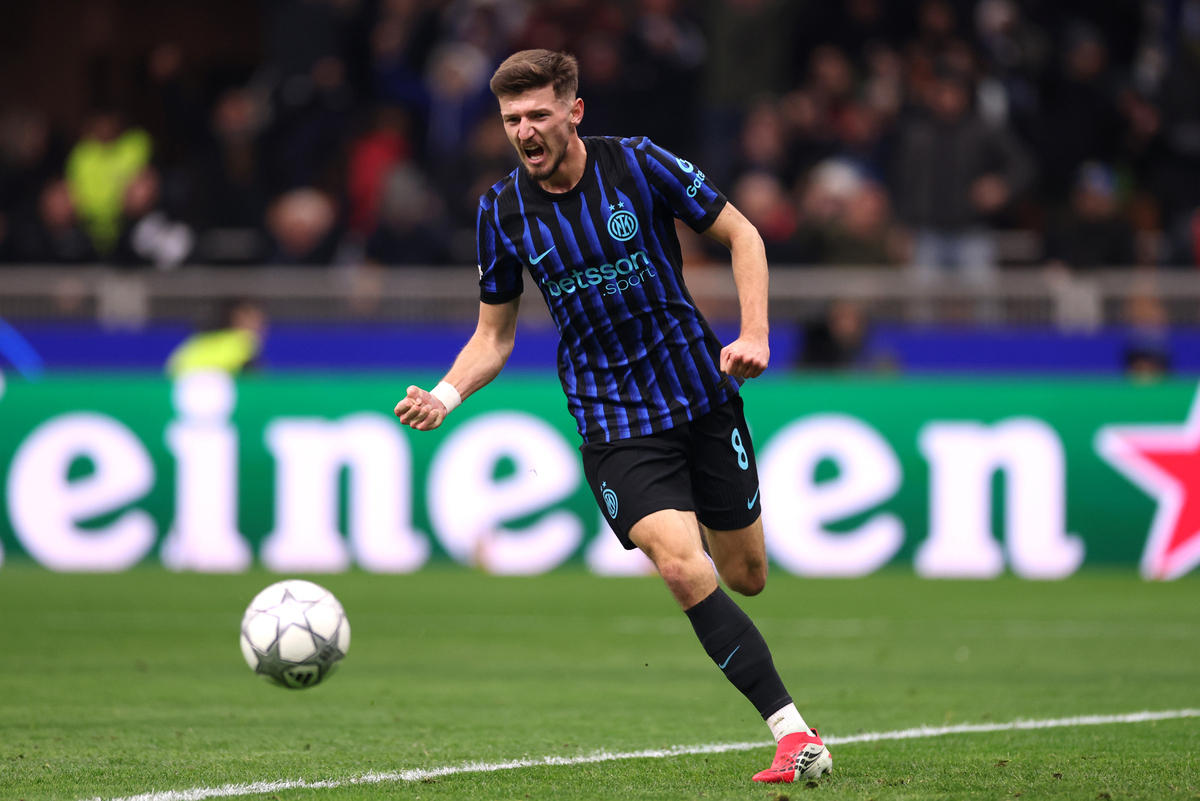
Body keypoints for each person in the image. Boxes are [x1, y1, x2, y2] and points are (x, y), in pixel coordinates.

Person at [393, 49, 832, 785]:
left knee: (745, 575)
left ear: (574, 111)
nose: (524, 130)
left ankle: (773, 689)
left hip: (701, 395)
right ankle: (793, 734)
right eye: (510, 119)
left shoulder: (636, 164)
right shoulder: (501, 212)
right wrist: (447, 392)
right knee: (679, 566)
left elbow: (743, 235)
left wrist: (753, 333)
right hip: (615, 421)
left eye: (537, 113)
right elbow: (493, 336)